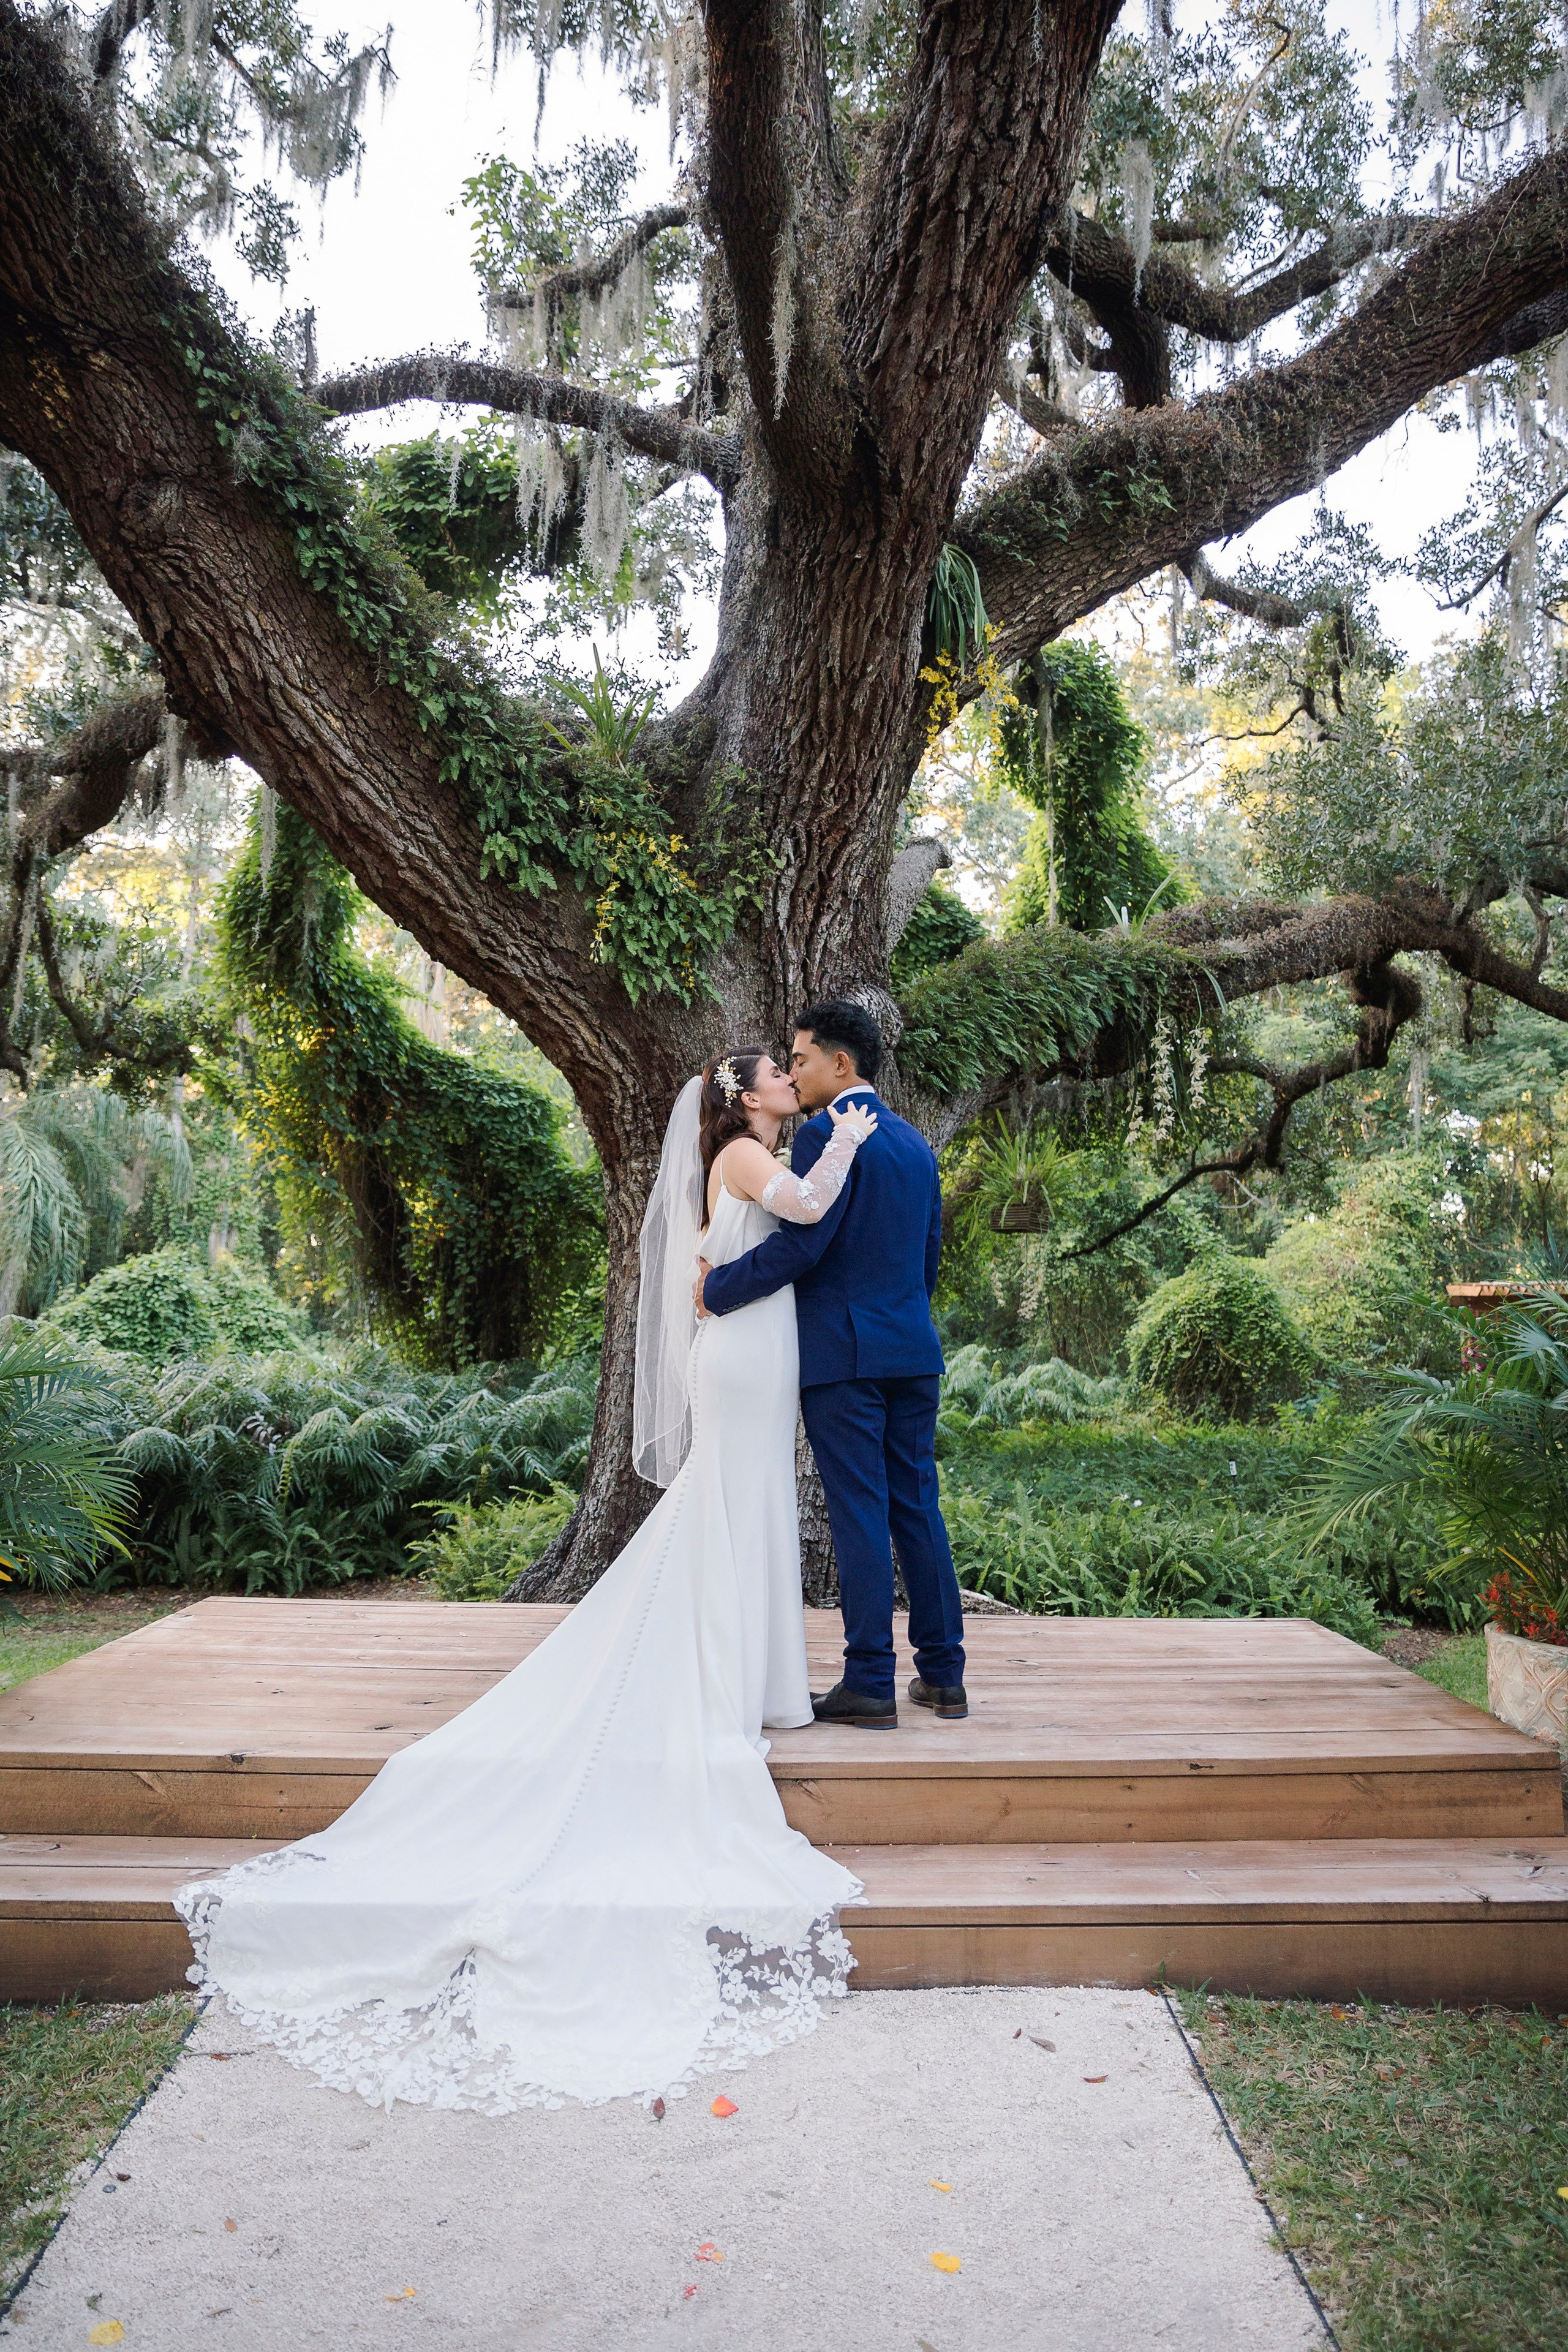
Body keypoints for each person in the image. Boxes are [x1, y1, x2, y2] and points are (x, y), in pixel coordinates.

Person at [175, 1050, 875, 2114]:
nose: (791, 1081)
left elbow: (748, 1249)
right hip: (742, 1358)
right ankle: (726, 1680)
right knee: (730, 1509)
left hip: (758, 1347)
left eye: (792, 1072)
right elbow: (811, 1208)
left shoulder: (736, 1152)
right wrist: (856, 1135)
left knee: (753, 1512)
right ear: (744, 1099)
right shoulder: (741, 1155)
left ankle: (759, 1680)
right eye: (779, 1074)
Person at [699, 1000, 967, 1731]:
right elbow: (927, 1257)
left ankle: (870, 1682)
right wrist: (900, 1322)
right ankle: (944, 1677)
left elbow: (803, 1246)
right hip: (911, 1349)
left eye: (804, 1058)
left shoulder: (825, 1134)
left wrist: (715, 1289)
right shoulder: (914, 1145)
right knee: (917, 1506)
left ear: (840, 1065)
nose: (795, 1070)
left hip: (844, 1357)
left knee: (859, 1511)